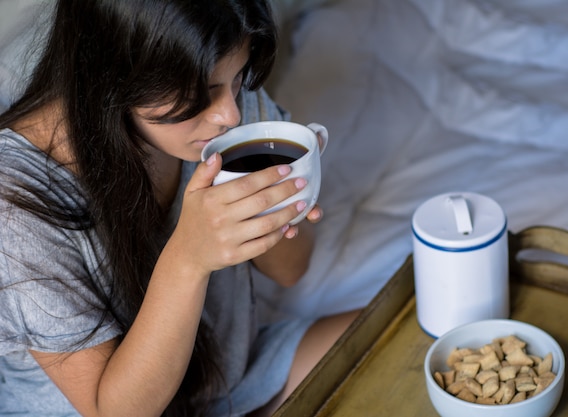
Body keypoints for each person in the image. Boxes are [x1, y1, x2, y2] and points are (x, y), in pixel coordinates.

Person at [0, 1, 358, 416]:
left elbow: (291, 270)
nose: (230, 114)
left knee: (400, 336)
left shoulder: (228, 108)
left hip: (229, 384)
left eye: (238, 76)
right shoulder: (15, 205)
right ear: (111, 74)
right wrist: (188, 258)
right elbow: (114, 411)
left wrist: (274, 205)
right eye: (202, 92)